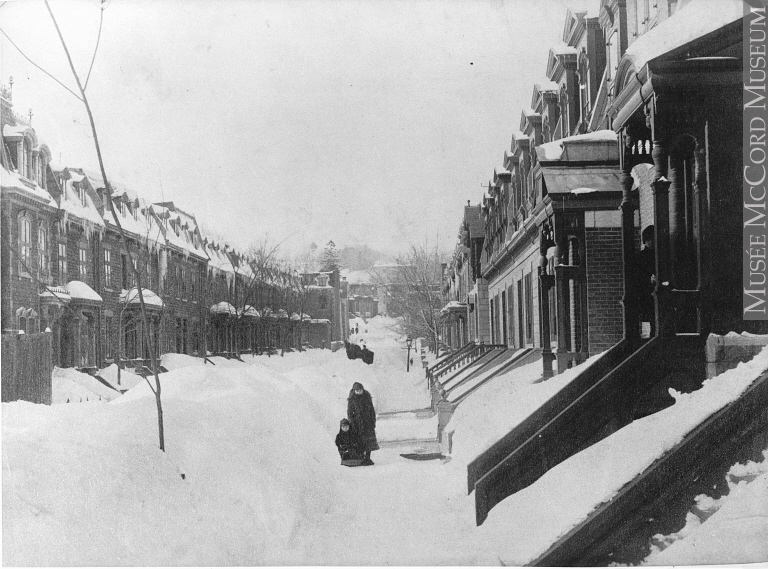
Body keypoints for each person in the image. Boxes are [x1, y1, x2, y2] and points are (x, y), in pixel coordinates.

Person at [347, 382, 379, 465]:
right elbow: (350, 413)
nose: (358, 392)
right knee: (359, 441)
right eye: (356, 390)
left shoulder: (367, 396)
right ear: (354, 391)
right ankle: (361, 458)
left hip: (368, 423)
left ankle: (368, 458)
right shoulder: (352, 399)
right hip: (358, 424)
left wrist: (373, 421)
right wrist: (352, 423)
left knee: (369, 442)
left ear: (362, 389)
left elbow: (372, 410)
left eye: (360, 390)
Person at [637, 225, 656, 338]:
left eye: (652, 239)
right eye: (648, 240)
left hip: (656, 290)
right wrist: (649, 279)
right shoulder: (641, 257)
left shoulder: (661, 254)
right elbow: (638, 275)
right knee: (652, 318)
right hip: (647, 292)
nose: (651, 242)